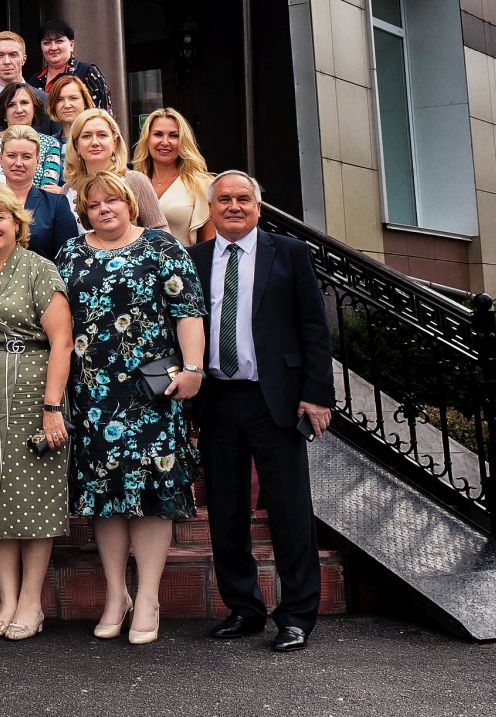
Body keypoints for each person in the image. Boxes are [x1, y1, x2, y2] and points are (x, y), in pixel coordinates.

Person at [191, 171, 333, 654]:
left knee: (290, 512)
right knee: (226, 511)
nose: (233, 206)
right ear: (211, 208)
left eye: (243, 199)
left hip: (275, 399)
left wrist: (317, 394)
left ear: (258, 206)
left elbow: (314, 327)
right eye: (224, 199)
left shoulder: (289, 253)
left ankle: (296, 616)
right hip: (217, 400)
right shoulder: (195, 259)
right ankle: (244, 609)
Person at [62, 171, 206, 646]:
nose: (104, 209)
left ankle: (147, 597)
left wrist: (193, 368)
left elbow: (188, 311)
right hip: (93, 394)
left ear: (130, 204)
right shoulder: (70, 253)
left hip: (151, 391)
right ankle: (115, 594)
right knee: (104, 495)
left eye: (113, 201)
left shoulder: (162, 248)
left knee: (150, 491)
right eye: (94, 204)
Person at [0, 186, 71, 640]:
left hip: (32, 388)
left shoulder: (40, 268)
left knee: (33, 495)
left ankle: (31, 602)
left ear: (17, 222)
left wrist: (52, 407)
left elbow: (62, 342)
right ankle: (6, 601)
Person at [62, 107, 164, 230]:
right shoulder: (67, 190)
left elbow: (160, 229)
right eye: (86, 136)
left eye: (102, 135)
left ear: (115, 142)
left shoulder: (135, 180)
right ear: (76, 144)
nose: (95, 142)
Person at [0, 125, 78, 264]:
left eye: (26, 157)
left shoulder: (56, 204)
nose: (18, 163)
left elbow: (67, 259)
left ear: (37, 161)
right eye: (11, 155)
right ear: (0, 158)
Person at [133, 107, 214, 245]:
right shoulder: (132, 182)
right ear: (147, 139)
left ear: (183, 141)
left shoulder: (203, 184)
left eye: (174, 135)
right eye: (158, 134)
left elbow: (209, 246)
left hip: (187, 258)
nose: (165, 142)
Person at [29, 18, 113, 113]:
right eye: (47, 43)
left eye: (59, 41)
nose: (53, 47)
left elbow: (103, 113)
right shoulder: (35, 80)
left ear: (71, 45)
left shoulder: (87, 72)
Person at [0, 83, 60, 184]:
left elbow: (49, 188)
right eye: (11, 105)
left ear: (34, 108)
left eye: (24, 103)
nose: (19, 110)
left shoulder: (50, 143)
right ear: (4, 112)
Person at [45, 75, 92, 146]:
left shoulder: (97, 140)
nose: (67, 105)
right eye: (59, 100)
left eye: (73, 98)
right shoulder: (48, 145)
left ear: (85, 102)